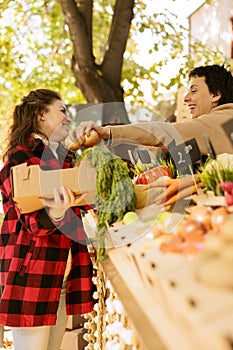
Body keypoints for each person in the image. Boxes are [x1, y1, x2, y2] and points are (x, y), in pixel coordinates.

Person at [0, 89, 94, 350]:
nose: (68, 117)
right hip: (30, 274)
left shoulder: (58, 158)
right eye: (62, 110)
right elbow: (31, 222)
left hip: (60, 275)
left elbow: (86, 199)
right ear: (41, 114)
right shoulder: (20, 158)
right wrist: (56, 212)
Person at [73, 64, 233, 158]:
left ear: (216, 94)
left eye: (194, 91)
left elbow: (163, 131)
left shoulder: (217, 121)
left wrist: (107, 132)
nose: (186, 98)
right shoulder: (224, 120)